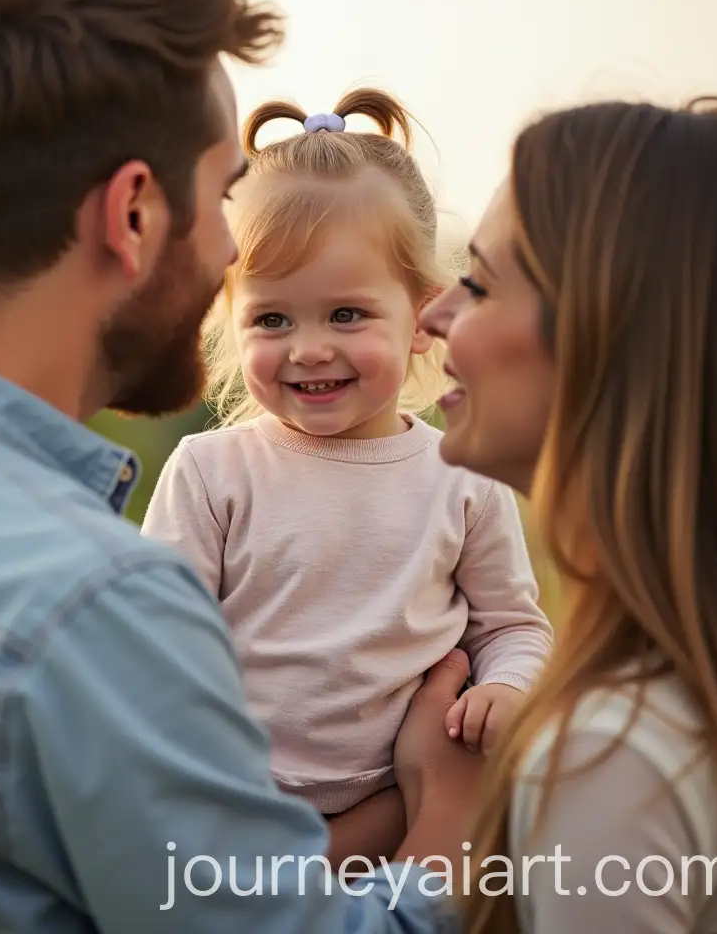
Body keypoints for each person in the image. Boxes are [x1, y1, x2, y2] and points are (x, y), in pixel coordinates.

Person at [0, 0, 482, 932]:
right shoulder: (87, 601)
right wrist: (446, 815)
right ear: (134, 212)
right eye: (224, 194)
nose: (235, 252)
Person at [141, 90, 554, 866]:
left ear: (422, 314)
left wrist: (507, 688)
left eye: (345, 316)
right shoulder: (212, 471)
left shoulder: (460, 477)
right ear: (230, 318)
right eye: (272, 320)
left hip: (400, 811)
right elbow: (154, 650)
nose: (308, 349)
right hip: (230, 816)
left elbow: (511, 626)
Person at [419, 95, 717, 932]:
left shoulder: (611, 754)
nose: (433, 314)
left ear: (603, 333)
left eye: (477, 282)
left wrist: (440, 806)